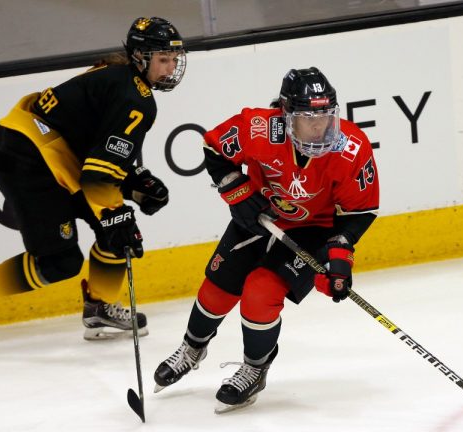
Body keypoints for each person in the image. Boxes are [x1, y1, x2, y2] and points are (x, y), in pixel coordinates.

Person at [0, 17, 186, 344]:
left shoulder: (117, 77)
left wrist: (131, 182)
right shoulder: (135, 99)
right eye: (163, 60)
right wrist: (116, 212)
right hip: (30, 163)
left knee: (115, 235)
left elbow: (93, 149)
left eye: (173, 60)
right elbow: (98, 174)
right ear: (140, 57)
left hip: (45, 155)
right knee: (62, 260)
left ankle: (101, 307)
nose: (170, 69)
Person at [153, 67, 379, 413]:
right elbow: (213, 148)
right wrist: (238, 193)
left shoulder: (351, 147)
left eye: (326, 115)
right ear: (287, 115)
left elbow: (359, 212)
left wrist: (339, 255)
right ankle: (192, 347)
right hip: (260, 214)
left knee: (260, 290)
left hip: (313, 228)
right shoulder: (260, 127)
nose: (320, 126)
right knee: (218, 288)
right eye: (308, 117)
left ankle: (255, 368)